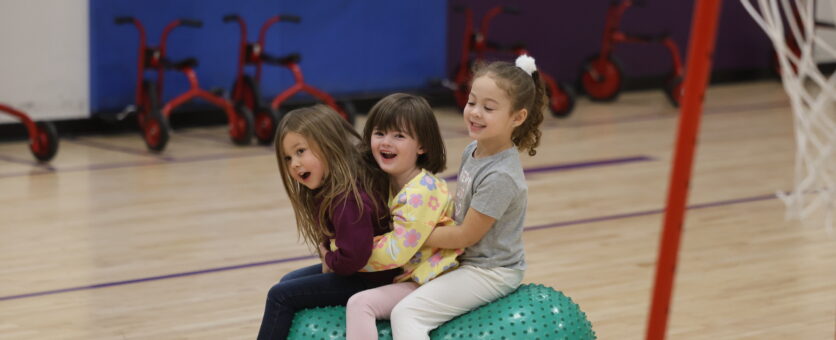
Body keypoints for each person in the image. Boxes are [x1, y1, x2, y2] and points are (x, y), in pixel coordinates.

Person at [389, 55, 546, 340]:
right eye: (472, 102)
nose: (474, 112)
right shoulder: (473, 150)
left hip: (490, 270)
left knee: (406, 313)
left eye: (488, 108)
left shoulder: (501, 176)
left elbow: (464, 236)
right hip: (463, 258)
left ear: (518, 117)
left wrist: (410, 234)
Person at [256, 105, 399, 340]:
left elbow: (354, 258)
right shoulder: (331, 188)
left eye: (301, 151)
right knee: (288, 282)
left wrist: (329, 259)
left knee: (280, 295)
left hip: (373, 280)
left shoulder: (347, 198)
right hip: (362, 273)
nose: (294, 163)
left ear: (328, 146)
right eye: (288, 157)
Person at [341, 93, 463, 340]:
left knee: (360, 304)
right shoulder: (386, 183)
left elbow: (397, 251)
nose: (386, 142)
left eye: (399, 136)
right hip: (406, 275)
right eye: (380, 133)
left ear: (422, 146)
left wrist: (344, 254)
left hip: (429, 279)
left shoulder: (422, 190)